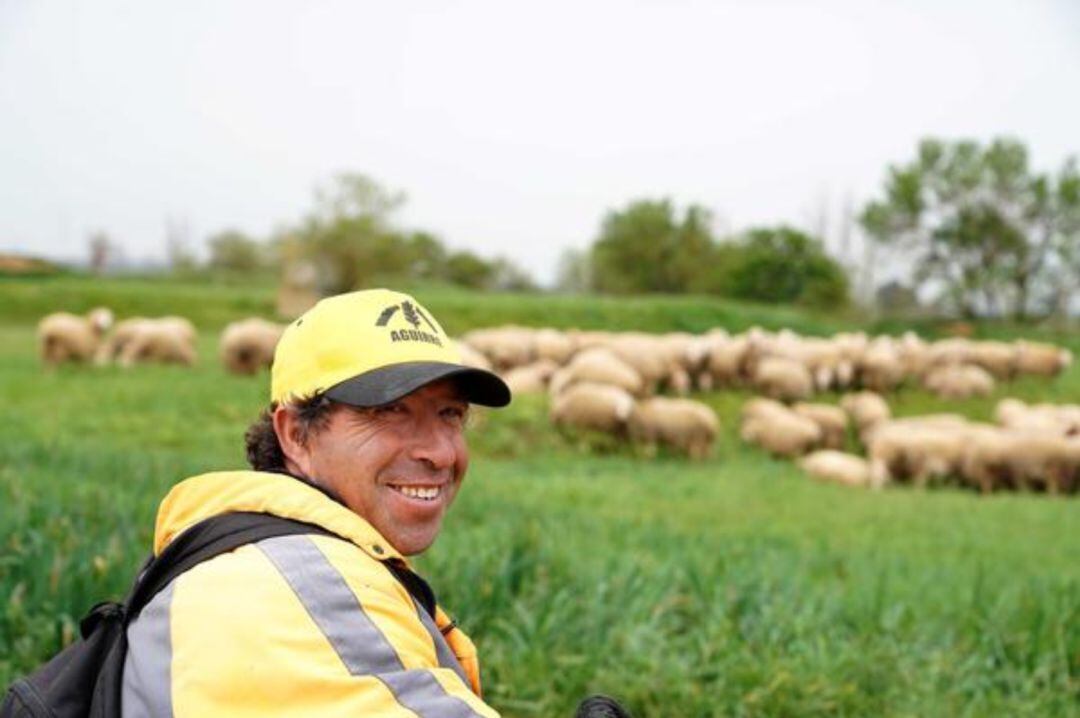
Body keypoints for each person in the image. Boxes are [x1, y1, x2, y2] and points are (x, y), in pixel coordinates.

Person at [120, 289, 511, 717]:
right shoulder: (298, 590)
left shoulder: (256, 554)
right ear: (295, 434)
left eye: (451, 414)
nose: (440, 453)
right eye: (390, 411)